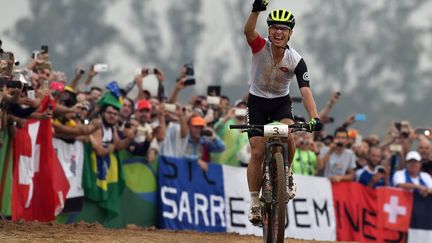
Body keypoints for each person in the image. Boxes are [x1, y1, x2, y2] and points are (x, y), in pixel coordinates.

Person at [243, 0, 322, 225]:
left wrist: (314, 117)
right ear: (269, 30)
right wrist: (256, 10)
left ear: (290, 34)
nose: (279, 32)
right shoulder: (260, 47)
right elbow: (248, 32)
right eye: (275, 27)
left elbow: (306, 92)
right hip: (256, 103)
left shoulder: (296, 60)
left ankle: (286, 174)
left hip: (280, 103)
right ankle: (254, 203)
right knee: (257, 151)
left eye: (284, 29)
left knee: (289, 133)